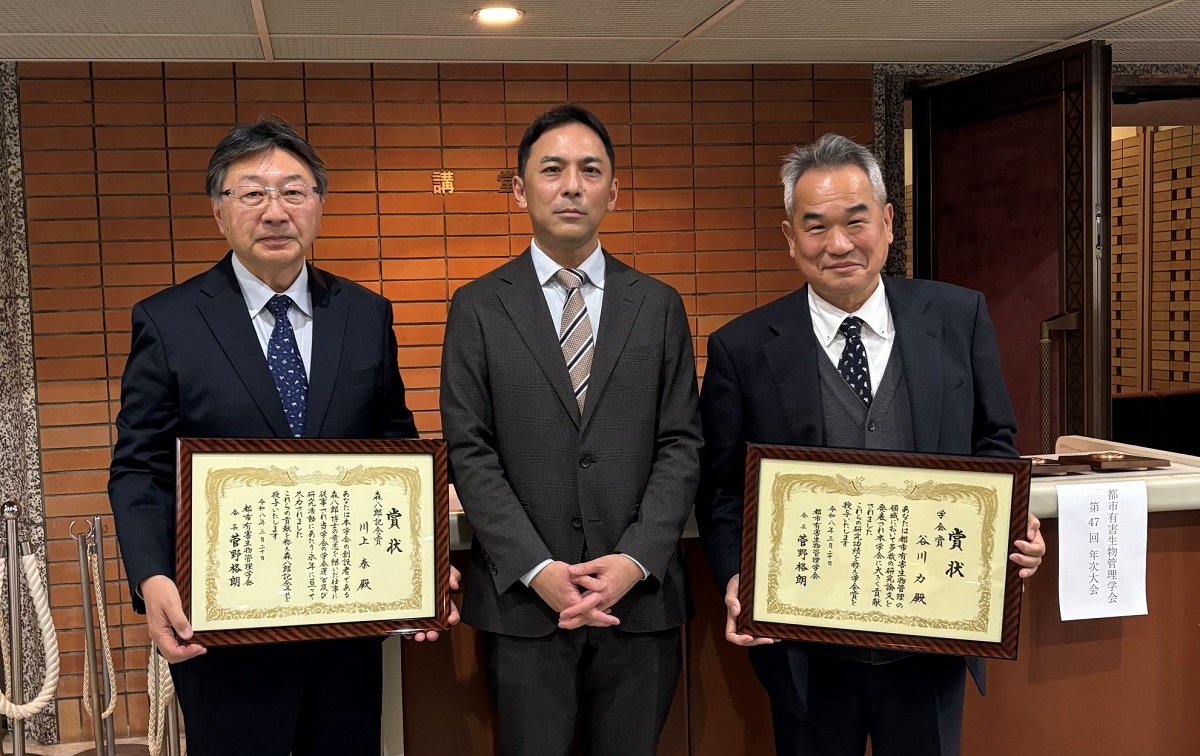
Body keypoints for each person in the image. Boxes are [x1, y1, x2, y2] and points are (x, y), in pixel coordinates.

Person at [108, 116, 457, 756]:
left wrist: (424, 568)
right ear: (219, 211)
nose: (275, 211)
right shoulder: (168, 320)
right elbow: (139, 467)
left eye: (293, 191)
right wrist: (153, 578)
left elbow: (395, 450)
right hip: (222, 630)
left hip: (345, 624)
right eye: (252, 192)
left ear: (318, 206)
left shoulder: (365, 314)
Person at [695, 132, 1046, 756]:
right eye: (816, 227)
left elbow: (994, 443)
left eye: (856, 222)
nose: (839, 245)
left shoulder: (958, 317)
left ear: (885, 223)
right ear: (789, 238)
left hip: (931, 638)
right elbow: (720, 489)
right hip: (805, 648)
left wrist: (1012, 528)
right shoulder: (741, 350)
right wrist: (733, 576)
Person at [440, 104, 702, 756]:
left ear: (613, 191)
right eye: (552, 170)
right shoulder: (477, 306)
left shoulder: (659, 305)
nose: (572, 186)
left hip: (638, 605)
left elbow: (681, 443)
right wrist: (536, 567)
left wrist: (634, 561)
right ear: (521, 188)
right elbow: (470, 450)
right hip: (525, 607)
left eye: (590, 171)